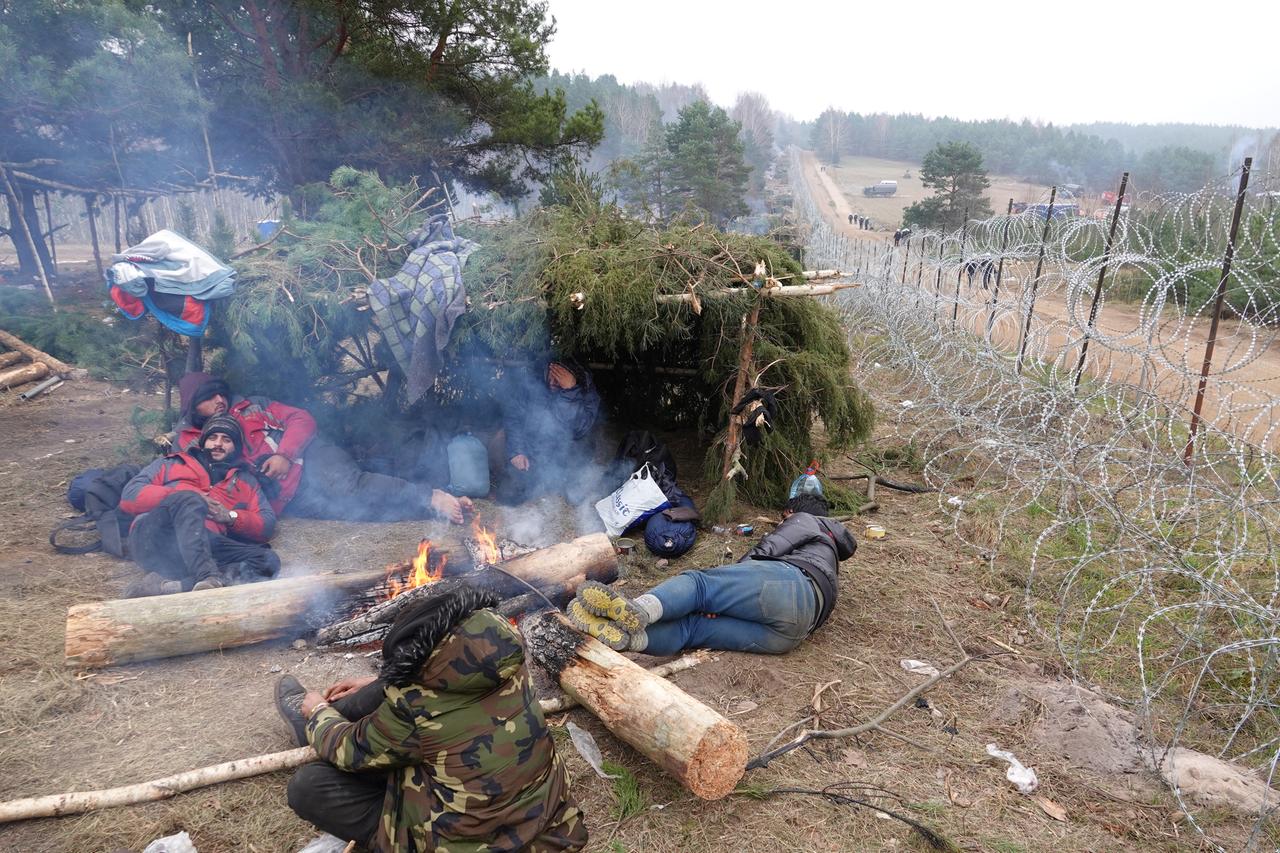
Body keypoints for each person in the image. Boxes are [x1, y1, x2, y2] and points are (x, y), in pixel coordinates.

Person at [274, 586, 588, 852]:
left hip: (464, 842)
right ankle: (321, 722)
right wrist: (382, 685)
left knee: (309, 785)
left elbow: (352, 750)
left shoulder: (415, 706)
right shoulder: (508, 659)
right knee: (387, 692)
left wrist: (317, 713)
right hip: (548, 824)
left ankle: (307, 726)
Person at [568, 494, 855, 655]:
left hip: (793, 585)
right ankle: (628, 640)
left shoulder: (807, 520)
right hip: (791, 636)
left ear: (791, 512)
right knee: (693, 630)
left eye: (783, 517)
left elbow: (768, 548)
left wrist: (729, 583)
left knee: (700, 586)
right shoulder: (830, 554)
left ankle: (637, 610)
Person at [175, 373, 477, 524]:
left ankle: (433, 496)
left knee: (352, 488)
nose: (219, 401)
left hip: (309, 458)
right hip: (287, 496)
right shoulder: (189, 441)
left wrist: (285, 454)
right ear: (193, 406)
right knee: (358, 512)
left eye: (219, 394)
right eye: (208, 398)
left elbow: (301, 419)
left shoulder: (252, 406)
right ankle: (436, 506)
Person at [119, 415, 279, 596]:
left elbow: (267, 524)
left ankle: (173, 587)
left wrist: (231, 517)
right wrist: (185, 496)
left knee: (267, 560)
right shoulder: (171, 463)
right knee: (189, 499)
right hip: (157, 537)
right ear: (203, 442)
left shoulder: (246, 481)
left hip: (205, 543)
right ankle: (208, 577)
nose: (218, 443)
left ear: (236, 447)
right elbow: (129, 496)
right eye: (212, 438)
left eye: (226, 440)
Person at [495, 360, 601, 505]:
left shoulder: (584, 389)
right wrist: (516, 451)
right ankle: (540, 482)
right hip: (534, 455)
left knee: (575, 497)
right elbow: (514, 418)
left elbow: (579, 429)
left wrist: (570, 392)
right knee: (509, 493)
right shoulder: (533, 383)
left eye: (560, 377)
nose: (554, 382)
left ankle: (563, 482)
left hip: (569, 459)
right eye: (552, 374)